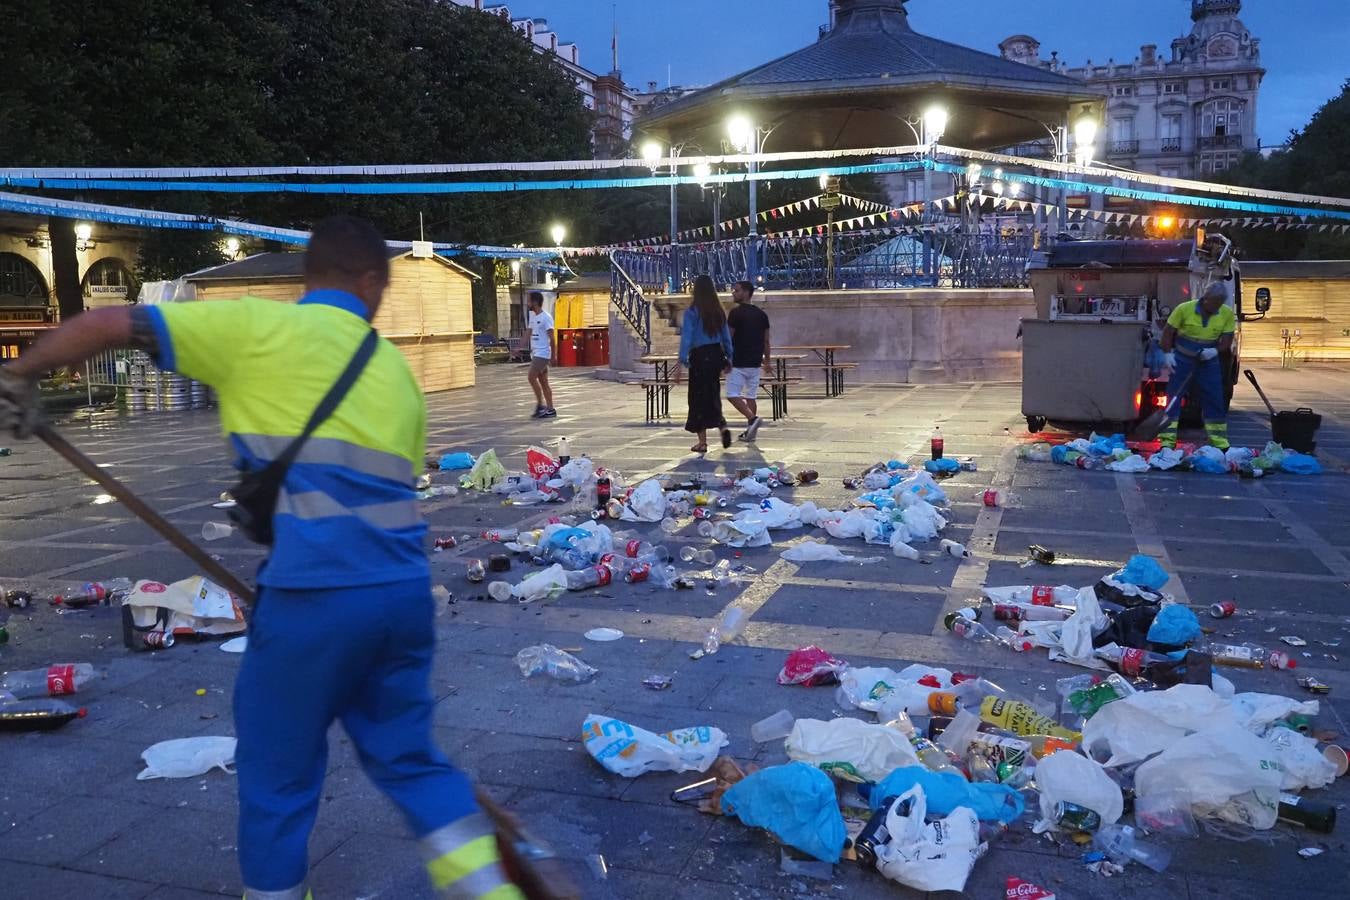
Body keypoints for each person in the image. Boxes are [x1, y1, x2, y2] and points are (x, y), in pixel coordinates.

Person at [0, 216, 524, 900]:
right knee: (414, 764)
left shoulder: (256, 331)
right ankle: (497, 892)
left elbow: (110, 325)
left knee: (278, 778)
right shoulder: (393, 371)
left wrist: (23, 374)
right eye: (384, 287)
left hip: (310, 605)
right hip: (400, 598)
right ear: (367, 280)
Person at [1158, 282, 1235, 450]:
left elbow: (1226, 342)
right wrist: (1168, 354)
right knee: (1174, 398)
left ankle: (1219, 443)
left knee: (1214, 398)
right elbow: (1168, 332)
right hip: (1182, 359)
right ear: (1205, 299)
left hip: (1208, 362)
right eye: (1214, 304)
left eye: (1219, 304)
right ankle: (1167, 441)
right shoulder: (1184, 309)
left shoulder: (1226, 314)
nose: (1216, 308)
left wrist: (1214, 351)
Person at [676, 274, 734, 453]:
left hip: (700, 357)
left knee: (697, 398)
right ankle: (722, 426)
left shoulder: (692, 312)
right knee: (712, 393)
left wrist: (682, 360)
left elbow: (687, 337)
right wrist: (729, 357)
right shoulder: (718, 311)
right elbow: (726, 337)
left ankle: (702, 443)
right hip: (716, 354)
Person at [725, 280, 771, 442]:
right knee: (750, 397)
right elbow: (766, 341)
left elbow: (728, 338)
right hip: (755, 362)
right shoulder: (761, 314)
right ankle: (751, 432)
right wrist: (768, 361)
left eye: (736, 290)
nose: (733, 293)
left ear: (746, 292)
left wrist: (726, 358)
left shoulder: (735, 313)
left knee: (731, 395)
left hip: (738, 361)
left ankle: (752, 419)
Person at [525, 291, 556, 418]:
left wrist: (553, 356)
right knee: (543, 382)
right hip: (536, 352)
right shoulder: (533, 317)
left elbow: (552, 338)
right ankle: (550, 409)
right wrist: (518, 347)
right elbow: (527, 334)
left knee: (531, 377)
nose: (527, 303)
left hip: (543, 353)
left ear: (535, 302)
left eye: (529, 300)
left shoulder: (546, 317)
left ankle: (540, 405)